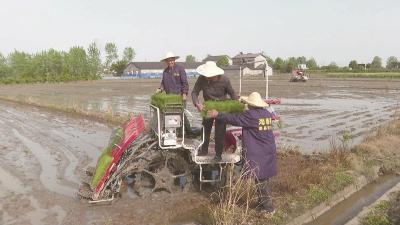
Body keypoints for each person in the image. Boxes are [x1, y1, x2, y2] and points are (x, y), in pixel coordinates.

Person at [207, 92, 277, 215]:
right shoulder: (267, 114)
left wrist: (218, 114)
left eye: (247, 104)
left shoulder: (251, 116)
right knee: (262, 179)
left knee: (261, 180)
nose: (247, 106)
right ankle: (262, 205)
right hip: (267, 150)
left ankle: (269, 209)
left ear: (251, 105)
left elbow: (234, 119)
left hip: (259, 153)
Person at [191, 61, 238, 161]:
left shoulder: (224, 80)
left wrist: (236, 107)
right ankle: (203, 151)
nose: (207, 77)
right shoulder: (201, 79)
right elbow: (194, 92)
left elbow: (233, 94)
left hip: (221, 109)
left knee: (220, 132)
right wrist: (197, 104)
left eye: (209, 76)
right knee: (205, 130)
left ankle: (218, 155)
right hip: (207, 107)